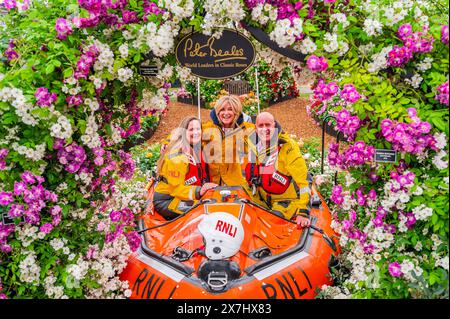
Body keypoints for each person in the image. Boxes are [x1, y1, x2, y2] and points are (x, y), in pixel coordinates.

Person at [244, 112, 311, 228]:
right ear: (255, 128)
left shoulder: (287, 147)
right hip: (261, 200)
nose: (265, 129)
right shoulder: (253, 146)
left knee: (273, 220)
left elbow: (304, 182)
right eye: (261, 126)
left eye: (268, 125)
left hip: (285, 202)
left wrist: (303, 212)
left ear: (274, 126)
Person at [153, 116, 218, 220]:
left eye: (198, 129)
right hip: (168, 200)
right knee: (202, 210)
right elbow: (175, 189)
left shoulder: (194, 147)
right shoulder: (178, 157)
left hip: (181, 195)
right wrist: (200, 191)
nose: (196, 132)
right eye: (191, 129)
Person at [202, 94, 255, 186]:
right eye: (222, 110)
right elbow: (185, 134)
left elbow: (269, 131)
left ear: (236, 112)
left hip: (237, 183)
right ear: (217, 112)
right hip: (212, 183)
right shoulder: (207, 128)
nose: (226, 113)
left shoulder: (246, 129)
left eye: (230, 109)